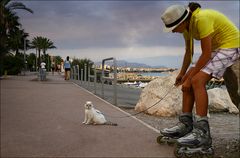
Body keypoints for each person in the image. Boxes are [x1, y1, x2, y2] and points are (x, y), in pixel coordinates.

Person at [160, 2, 239, 157]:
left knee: (197, 81)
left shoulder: (201, 19)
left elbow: (206, 52)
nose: (173, 31)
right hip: (218, 49)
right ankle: (186, 124)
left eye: (173, 28)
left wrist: (190, 76)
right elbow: (189, 54)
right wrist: (182, 74)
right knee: (186, 85)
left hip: (232, 45)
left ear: (181, 22)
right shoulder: (187, 28)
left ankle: (203, 135)